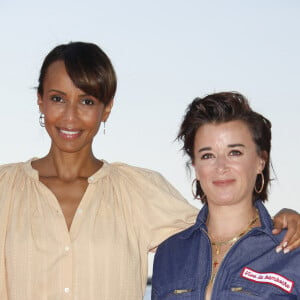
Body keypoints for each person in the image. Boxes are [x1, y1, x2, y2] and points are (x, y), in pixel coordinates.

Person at [0, 44, 298, 300]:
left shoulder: (137, 190)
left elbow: (219, 224)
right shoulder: (5, 188)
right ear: (40, 99)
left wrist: (284, 219)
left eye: (87, 101)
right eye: (57, 98)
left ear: (107, 109)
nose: (70, 115)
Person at [151, 92, 300, 300]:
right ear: (195, 166)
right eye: (208, 155)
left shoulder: (292, 249)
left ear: (260, 161)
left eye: (235, 153)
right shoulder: (170, 253)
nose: (221, 167)